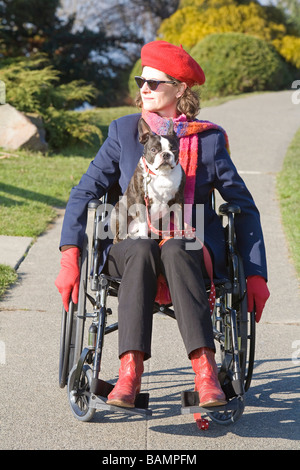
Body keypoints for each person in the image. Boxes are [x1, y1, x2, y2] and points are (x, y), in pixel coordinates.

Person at [55, 41, 270, 410]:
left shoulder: (209, 139)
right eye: (142, 81)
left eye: (154, 83)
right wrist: (70, 254)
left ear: (180, 89)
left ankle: (205, 372)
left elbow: (243, 206)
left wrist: (254, 274)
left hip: (188, 247)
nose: (144, 89)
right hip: (130, 244)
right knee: (140, 248)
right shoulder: (124, 132)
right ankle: (129, 373)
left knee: (176, 245)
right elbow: (83, 193)